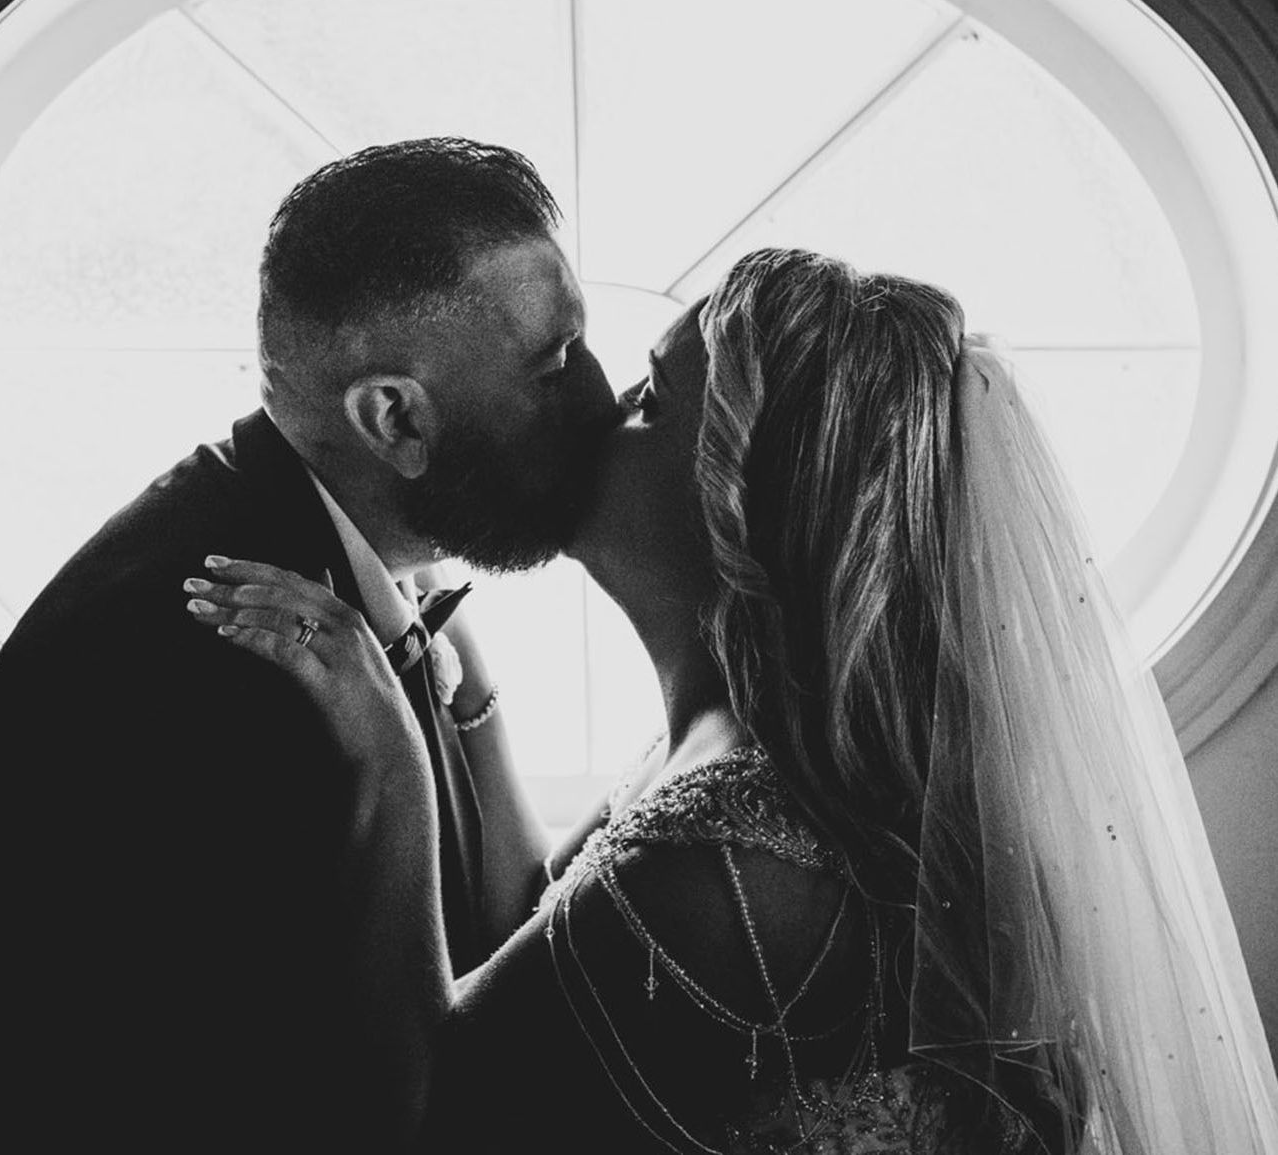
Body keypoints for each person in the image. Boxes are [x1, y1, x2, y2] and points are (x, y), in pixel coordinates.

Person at [190, 246, 1278, 1152]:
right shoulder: (732, 752)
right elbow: (548, 940)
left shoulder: (734, 869)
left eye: (646, 400)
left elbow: (424, 1115)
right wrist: (466, 699)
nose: (590, 411)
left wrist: (390, 759)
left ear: (738, 499)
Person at [0, 137, 615, 1148]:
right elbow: (357, 1103)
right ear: (394, 419)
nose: (601, 397)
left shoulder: (353, 553)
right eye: (552, 365)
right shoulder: (209, 669)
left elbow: (492, 932)